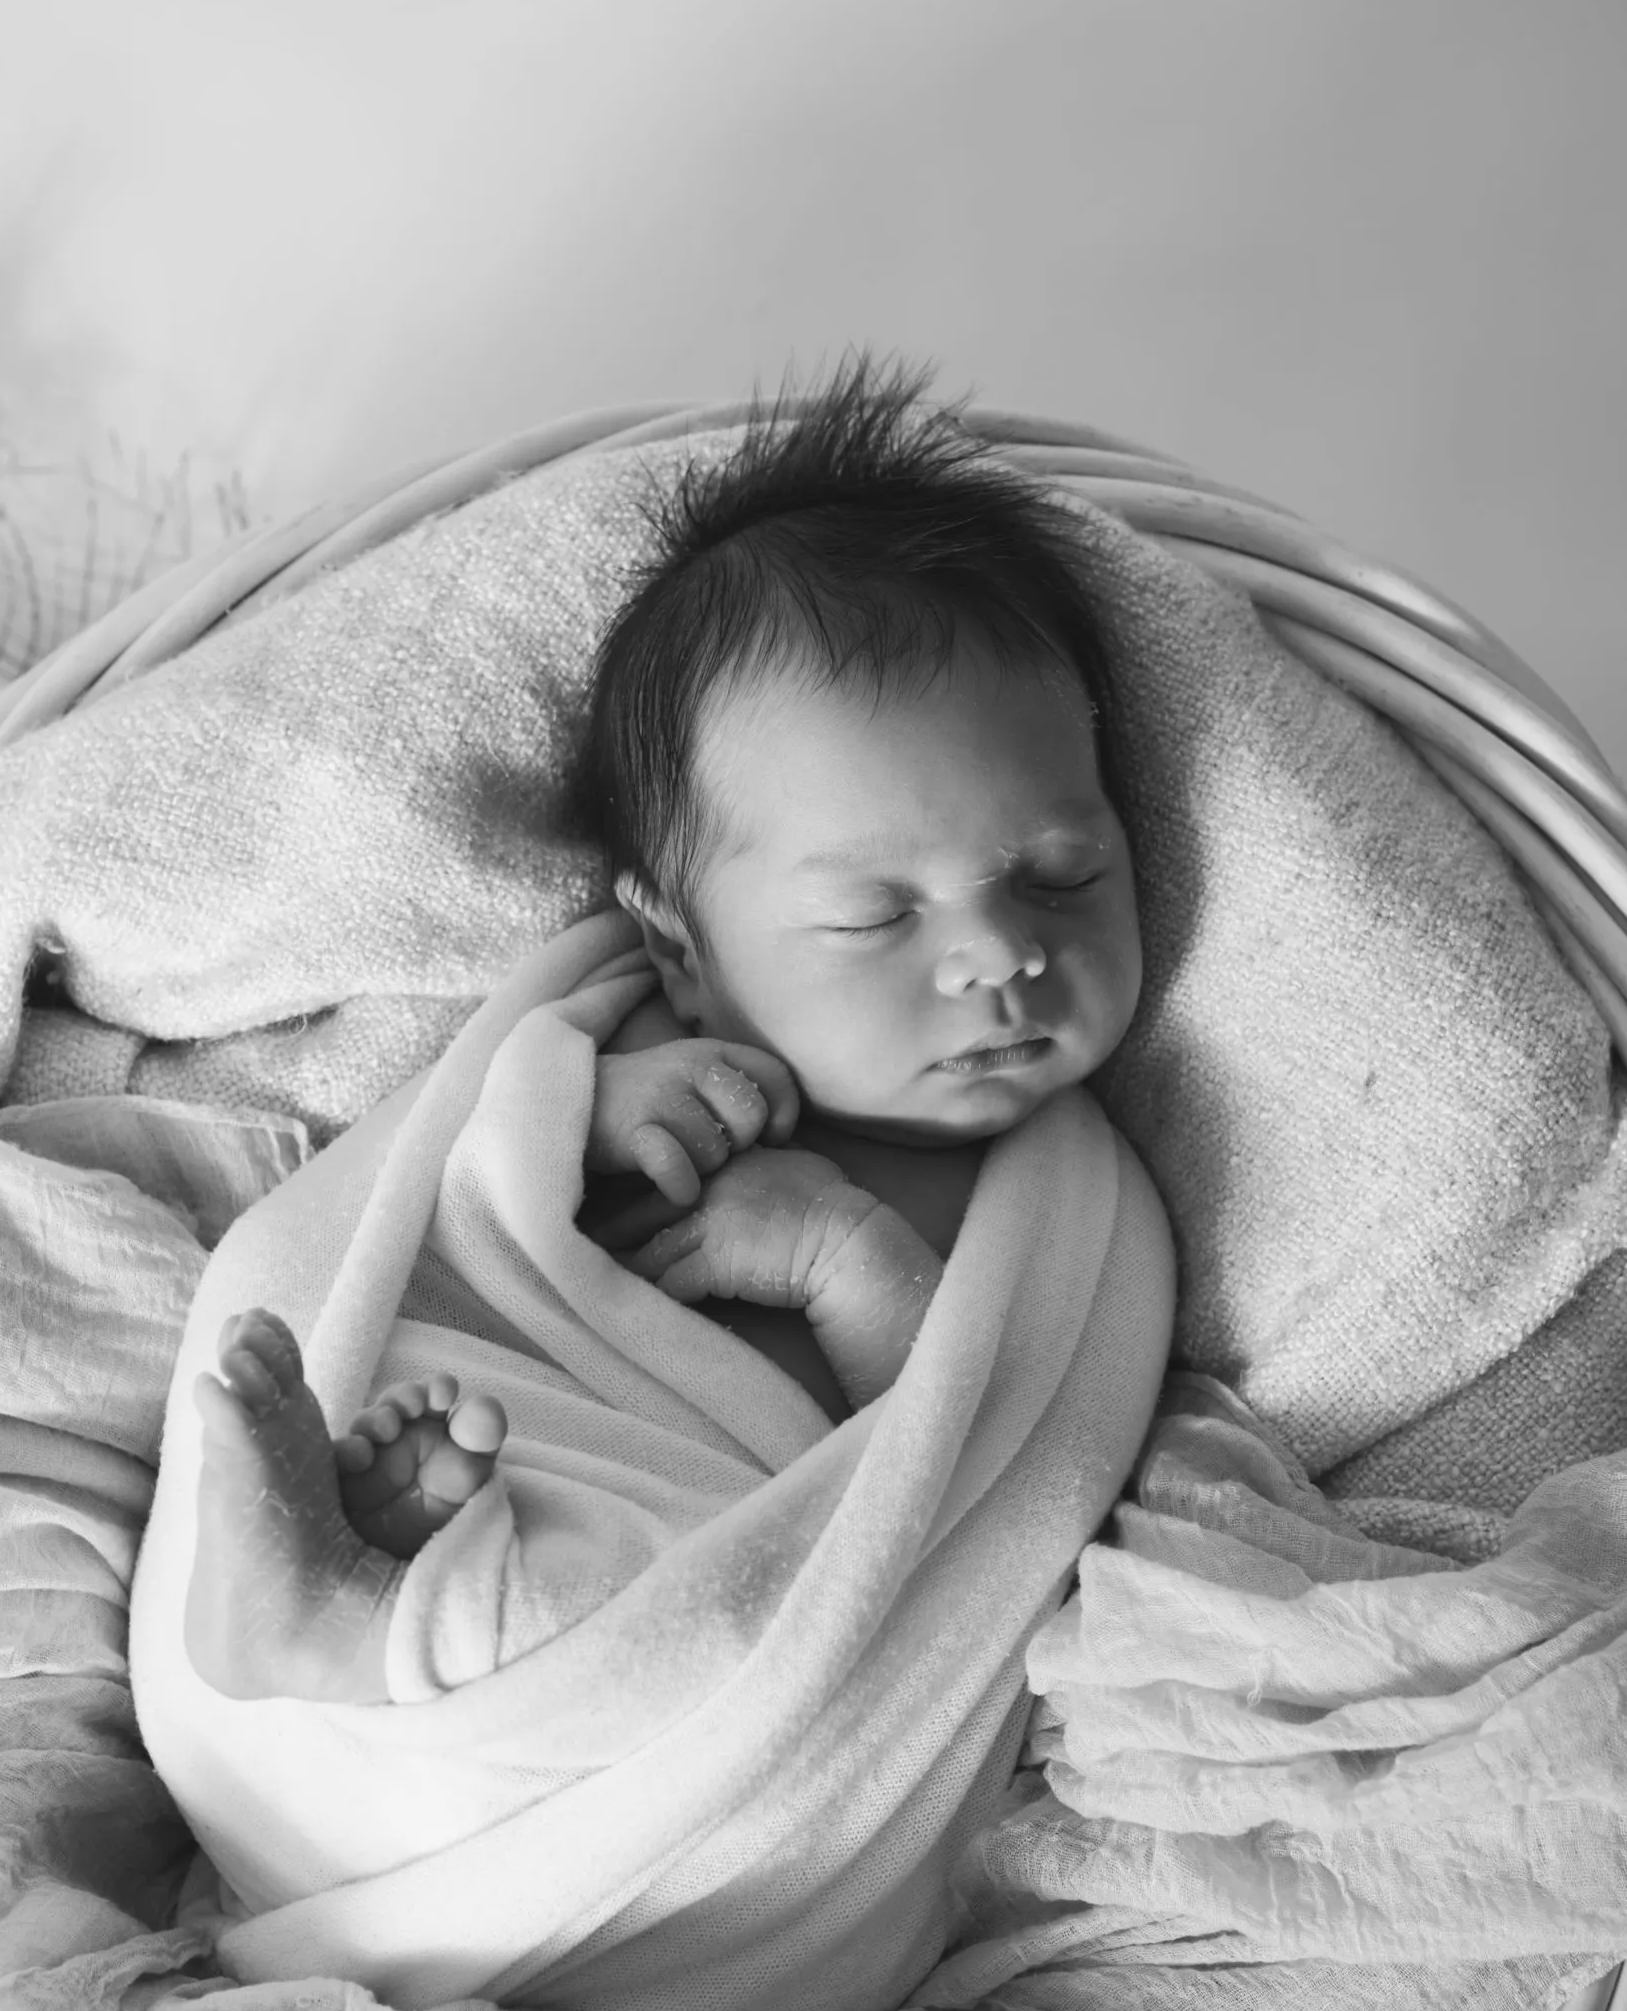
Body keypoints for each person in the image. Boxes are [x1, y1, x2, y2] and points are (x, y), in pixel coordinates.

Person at [184, 353, 1148, 1699]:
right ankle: (359, 1603)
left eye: (1060, 876)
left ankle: (368, 1625)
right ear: (679, 947)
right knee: (604, 1587)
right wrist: (586, 1123)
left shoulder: (1079, 1217)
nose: (1000, 952)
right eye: (877, 916)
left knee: (706, 1628)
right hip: (562, 1475)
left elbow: (982, 1513)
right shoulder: (625, 1052)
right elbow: (466, 1202)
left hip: (743, 1703)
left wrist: (849, 1260)